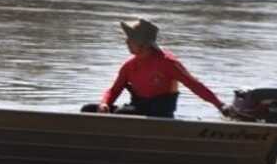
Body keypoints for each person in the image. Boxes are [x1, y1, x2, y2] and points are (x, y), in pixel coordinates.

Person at [82, 18, 229, 118]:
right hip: (136, 110)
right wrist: (104, 104)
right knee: (88, 110)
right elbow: (114, 90)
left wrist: (221, 106)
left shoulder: (168, 63)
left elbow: (194, 85)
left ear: (143, 44)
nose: (126, 42)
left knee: (123, 113)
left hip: (159, 114)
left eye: (130, 39)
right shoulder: (129, 66)